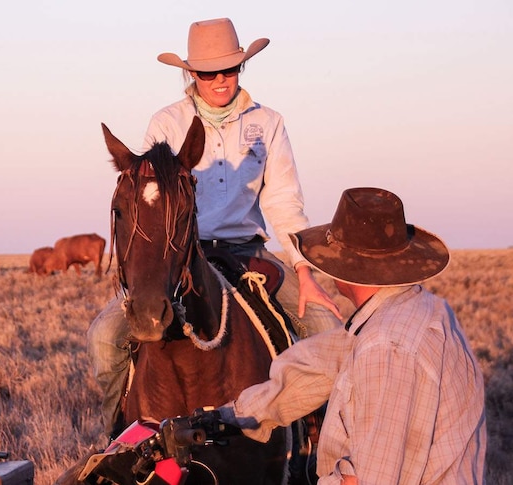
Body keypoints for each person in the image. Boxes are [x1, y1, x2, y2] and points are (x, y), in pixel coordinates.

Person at [88, 17, 343, 438]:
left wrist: (304, 271)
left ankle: (320, 446)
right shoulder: (167, 123)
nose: (220, 79)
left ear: (242, 67)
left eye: (230, 68)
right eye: (208, 71)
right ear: (191, 73)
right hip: (183, 256)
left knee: (325, 328)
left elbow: (283, 200)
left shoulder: (269, 123)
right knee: (104, 337)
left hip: (248, 252)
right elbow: (154, 206)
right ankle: (118, 437)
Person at [214, 187, 487, 484]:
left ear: (344, 265)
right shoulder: (412, 311)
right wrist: (224, 419)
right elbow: (313, 369)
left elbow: (371, 478)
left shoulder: (386, 346)